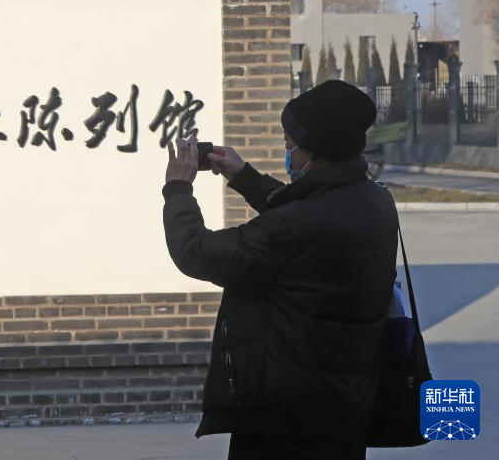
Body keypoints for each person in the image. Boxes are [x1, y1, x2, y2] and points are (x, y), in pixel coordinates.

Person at [161, 80, 399, 460]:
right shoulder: (374, 200)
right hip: (346, 401)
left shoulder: (297, 225)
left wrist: (177, 190)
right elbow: (304, 212)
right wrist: (244, 176)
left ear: (313, 149)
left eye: (289, 144)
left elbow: (196, 252)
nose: (287, 152)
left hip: (288, 417)